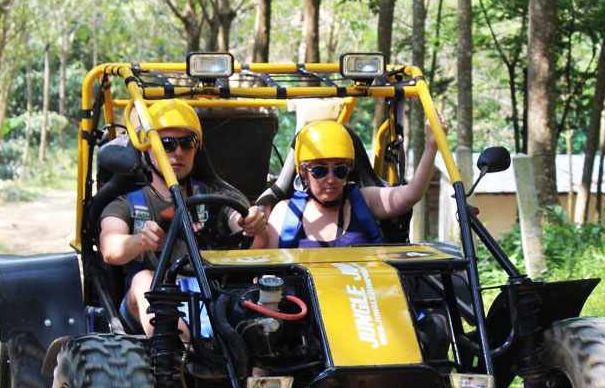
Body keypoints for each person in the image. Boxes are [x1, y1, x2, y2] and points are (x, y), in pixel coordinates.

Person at [99, 99, 267, 334]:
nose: (178, 152)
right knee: (143, 279)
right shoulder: (127, 203)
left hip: (211, 296)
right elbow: (110, 248)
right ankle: (180, 350)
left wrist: (251, 223)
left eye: (187, 143)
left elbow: (242, 222)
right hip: (150, 301)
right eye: (166, 144)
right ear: (147, 149)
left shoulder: (215, 196)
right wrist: (141, 240)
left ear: (196, 149)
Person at [262, 117, 448, 248]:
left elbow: (411, 194)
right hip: (301, 295)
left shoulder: (364, 201)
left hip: (363, 293)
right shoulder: (285, 213)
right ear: (303, 172)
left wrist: (432, 145)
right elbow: (267, 275)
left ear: (349, 170)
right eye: (319, 171)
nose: (331, 179)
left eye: (340, 170)